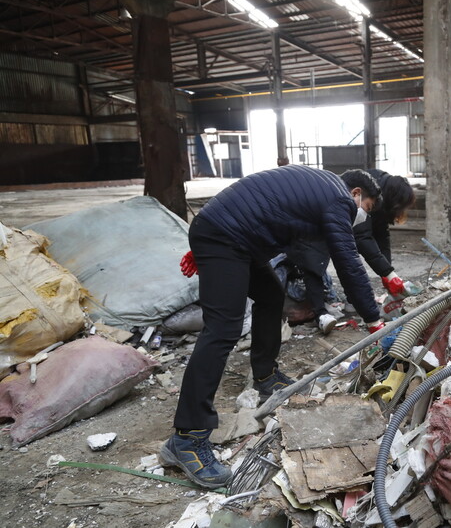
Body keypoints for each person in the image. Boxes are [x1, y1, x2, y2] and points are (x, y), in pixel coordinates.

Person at [161, 165, 385, 489]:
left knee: (269, 293)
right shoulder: (340, 201)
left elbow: (287, 233)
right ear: (356, 195)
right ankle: (186, 439)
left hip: (230, 232)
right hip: (225, 235)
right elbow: (348, 262)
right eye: (364, 208)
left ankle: (266, 376)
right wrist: (374, 319)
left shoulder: (323, 189)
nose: (359, 216)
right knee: (222, 329)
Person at [290, 169, 416, 334]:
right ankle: (320, 313)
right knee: (317, 260)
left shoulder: (380, 195)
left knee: (342, 259)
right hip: (311, 225)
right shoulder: (362, 194)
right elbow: (361, 241)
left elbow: (381, 236)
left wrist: (388, 273)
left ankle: (350, 302)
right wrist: (373, 319)